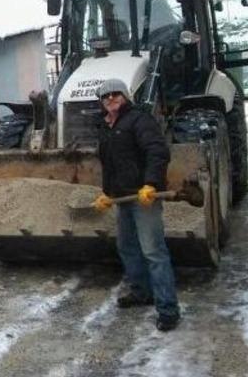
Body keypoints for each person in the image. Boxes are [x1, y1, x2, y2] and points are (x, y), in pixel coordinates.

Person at [93, 78, 181, 331]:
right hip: (123, 199)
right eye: (105, 96)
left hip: (144, 198)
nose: (110, 98)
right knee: (128, 247)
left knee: (153, 252)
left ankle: (168, 310)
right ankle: (141, 292)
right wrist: (107, 194)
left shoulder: (139, 120)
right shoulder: (106, 126)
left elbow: (157, 151)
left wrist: (151, 183)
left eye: (115, 93)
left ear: (126, 96)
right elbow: (110, 165)